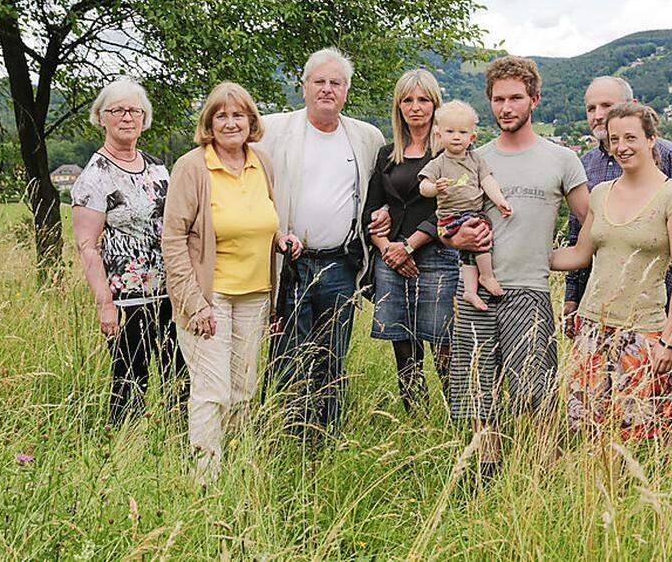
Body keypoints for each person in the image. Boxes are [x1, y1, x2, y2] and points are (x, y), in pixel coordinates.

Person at [443, 56, 589, 478]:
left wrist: (572, 257)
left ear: (534, 100)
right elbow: (447, 222)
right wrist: (456, 238)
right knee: (477, 392)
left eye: (515, 98)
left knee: (535, 394)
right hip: (477, 291)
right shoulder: (472, 159)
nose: (506, 107)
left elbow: (591, 218)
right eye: (498, 99)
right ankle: (482, 477)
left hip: (530, 290)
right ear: (489, 103)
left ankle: (544, 475)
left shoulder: (561, 159)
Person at [161, 81, 300, 483]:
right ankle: (204, 480)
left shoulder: (263, 164)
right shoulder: (193, 167)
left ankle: (236, 473)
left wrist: (280, 239)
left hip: (255, 295)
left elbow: (259, 222)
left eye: (238, 114)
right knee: (212, 390)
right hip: (210, 296)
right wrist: (194, 304)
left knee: (243, 391)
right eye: (221, 115)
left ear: (251, 121)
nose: (230, 122)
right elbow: (173, 240)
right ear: (209, 123)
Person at [550, 102, 672, 446]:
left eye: (630, 137)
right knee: (591, 429)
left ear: (651, 140)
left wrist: (669, 340)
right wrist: (522, 258)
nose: (621, 146)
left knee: (661, 425)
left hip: (644, 330)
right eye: (614, 139)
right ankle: (608, 492)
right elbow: (579, 254)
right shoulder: (600, 194)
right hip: (592, 328)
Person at [254, 47, 385, 435]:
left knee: (332, 353)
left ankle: (323, 433)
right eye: (320, 81)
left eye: (336, 83)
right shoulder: (273, 129)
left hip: (341, 264)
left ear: (346, 91)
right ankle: (281, 431)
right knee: (287, 350)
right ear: (304, 86)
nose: (328, 89)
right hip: (291, 262)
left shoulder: (365, 137)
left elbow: (382, 192)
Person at [71, 78, 185, 424]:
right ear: (101, 118)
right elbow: (87, 246)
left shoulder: (158, 168)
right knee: (131, 381)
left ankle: (177, 450)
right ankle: (124, 452)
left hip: (169, 293)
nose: (126, 117)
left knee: (179, 378)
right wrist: (105, 304)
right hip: (126, 298)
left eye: (134, 110)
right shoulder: (94, 176)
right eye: (116, 110)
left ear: (145, 118)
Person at [564, 76, 672, 336]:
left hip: (650, 313)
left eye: (607, 106)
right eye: (591, 108)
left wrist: (670, 330)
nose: (598, 114)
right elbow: (577, 241)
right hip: (594, 312)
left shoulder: (670, 159)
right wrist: (571, 295)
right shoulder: (586, 166)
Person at [362, 69, 459, 412]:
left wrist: (410, 246)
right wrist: (387, 247)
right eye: (407, 100)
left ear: (435, 104)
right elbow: (371, 208)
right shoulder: (388, 154)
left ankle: (459, 423)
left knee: (444, 348)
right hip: (390, 260)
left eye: (423, 100)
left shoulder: (448, 151)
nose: (415, 107)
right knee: (404, 349)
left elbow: (451, 209)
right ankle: (416, 420)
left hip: (436, 259)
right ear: (399, 106)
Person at [419, 100, 513, 311]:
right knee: (479, 238)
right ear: (439, 135)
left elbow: (488, 181)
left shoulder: (476, 160)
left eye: (462, 132)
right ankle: (487, 276)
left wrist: (500, 201)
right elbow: (423, 187)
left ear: (472, 137)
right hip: (450, 217)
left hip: (472, 212)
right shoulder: (438, 163)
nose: (456, 136)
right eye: (450, 131)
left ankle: (469, 292)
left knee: (468, 254)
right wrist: (435, 187)